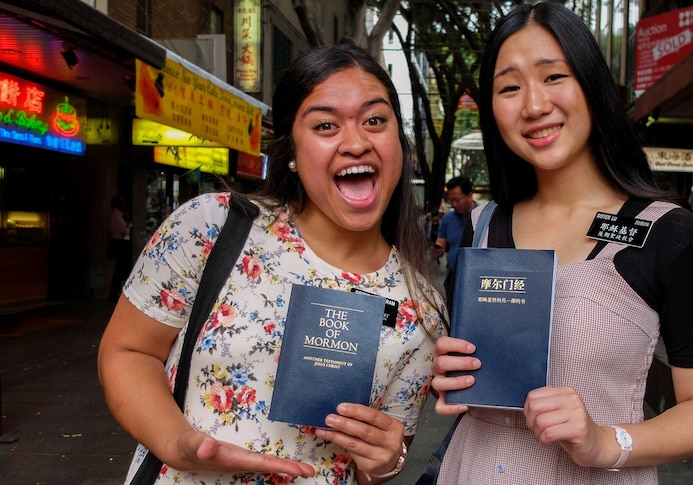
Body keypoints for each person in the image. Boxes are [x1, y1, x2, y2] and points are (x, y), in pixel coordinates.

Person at [98, 42, 447, 485]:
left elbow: (372, 469)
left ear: (399, 140)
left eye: (375, 121)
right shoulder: (213, 227)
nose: (356, 142)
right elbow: (128, 350)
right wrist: (177, 443)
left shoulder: (423, 309)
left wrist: (384, 462)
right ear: (293, 154)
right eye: (325, 125)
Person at [430, 3, 693, 484]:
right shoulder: (482, 228)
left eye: (554, 77)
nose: (533, 105)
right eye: (510, 87)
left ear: (592, 86)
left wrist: (605, 442)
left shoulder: (668, 233)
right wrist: (448, 373)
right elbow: (458, 375)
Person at [433, 176, 477, 298]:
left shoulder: (483, 216)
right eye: (451, 201)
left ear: (469, 195)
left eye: (457, 200)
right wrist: (437, 249)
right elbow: (441, 242)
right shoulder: (448, 219)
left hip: (476, 278)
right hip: (454, 276)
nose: (454, 204)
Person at [107, 194, 133, 301]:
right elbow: (124, 229)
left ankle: (119, 291)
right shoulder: (115, 215)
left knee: (122, 268)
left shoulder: (120, 215)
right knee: (119, 268)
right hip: (119, 243)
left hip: (123, 243)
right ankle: (114, 292)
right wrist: (128, 225)